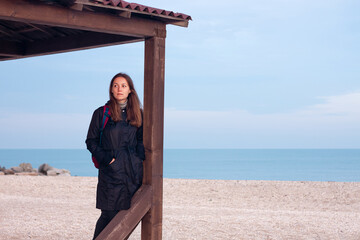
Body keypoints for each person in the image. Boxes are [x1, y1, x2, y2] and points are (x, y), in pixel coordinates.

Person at [86, 73, 145, 239]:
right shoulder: (101, 113)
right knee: (109, 215)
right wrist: (108, 160)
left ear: (130, 90)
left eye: (123, 85)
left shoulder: (138, 114)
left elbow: (141, 141)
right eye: (116, 85)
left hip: (133, 173)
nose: (119, 89)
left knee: (127, 217)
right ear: (111, 90)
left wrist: (138, 159)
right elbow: (90, 141)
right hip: (111, 174)